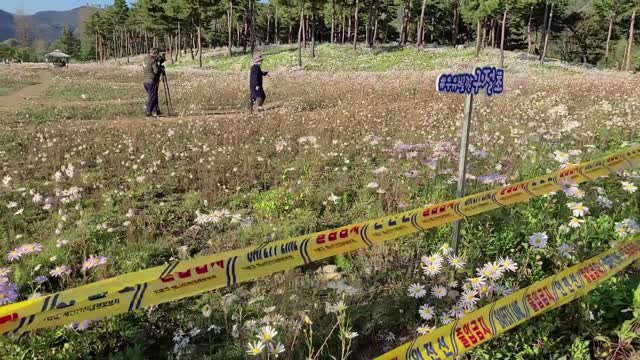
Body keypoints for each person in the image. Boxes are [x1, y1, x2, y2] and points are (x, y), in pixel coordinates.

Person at [143, 48, 162, 117]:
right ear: (155, 53)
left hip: (145, 81)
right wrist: (159, 67)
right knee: (152, 96)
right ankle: (148, 111)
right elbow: (156, 71)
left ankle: (155, 110)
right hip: (151, 81)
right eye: (157, 54)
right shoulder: (153, 60)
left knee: (153, 96)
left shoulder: (146, 58)